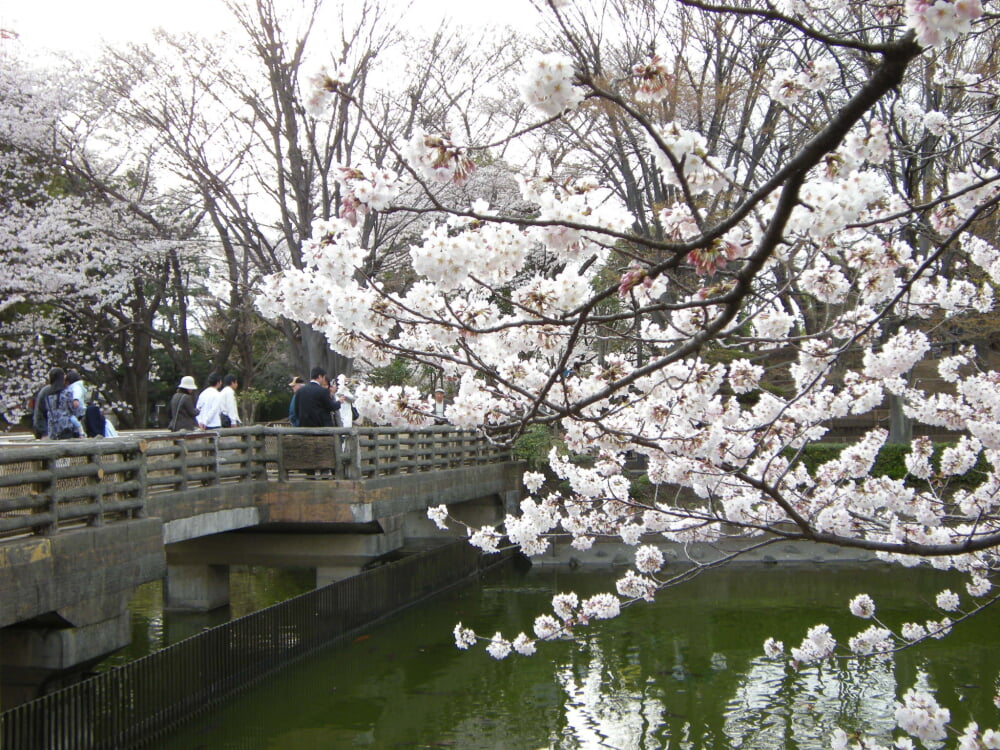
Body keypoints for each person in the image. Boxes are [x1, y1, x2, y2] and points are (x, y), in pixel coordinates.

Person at [296, 367, 339, 479]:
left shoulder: (300, 391)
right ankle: (324, 470)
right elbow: (330, 407)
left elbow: (296, 409)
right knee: (323, 448)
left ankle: (310, 473)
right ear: (320, 377)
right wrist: (339, 402)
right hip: (322, 426)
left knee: (309, 449)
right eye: (324, 377)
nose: (324, 380)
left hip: (305, 426)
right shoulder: (322, 391)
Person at [39, 367, 82, 439]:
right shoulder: (67, 392)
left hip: (52, 427)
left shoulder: (47, 393)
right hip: (67, 426)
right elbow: (75, 410)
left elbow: (42, 410)